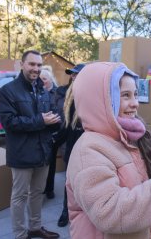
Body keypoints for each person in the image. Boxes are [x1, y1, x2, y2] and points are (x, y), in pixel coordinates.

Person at [65, 62, 151, 238]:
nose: (135, 103)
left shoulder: (128, 137)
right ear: (100, 100)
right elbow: (109, 212)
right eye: (125, 95)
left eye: (135, 94)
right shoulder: (88, 150)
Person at [0, 50, 61, 239]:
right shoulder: (7, 91)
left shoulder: (42, 89)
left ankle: (35, 227)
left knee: (37, 193)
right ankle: (19, 234)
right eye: (32, 64)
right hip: (21, 152)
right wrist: (41, 121)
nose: (36, 69)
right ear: (22, 64)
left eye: (39, 65)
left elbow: (48, 116)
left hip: (42, 152)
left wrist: (56, 122)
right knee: (19, 196)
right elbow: (9, 123)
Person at [52, 81, 84, 227]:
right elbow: (66, 128)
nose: (74, 78)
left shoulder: (93, 102)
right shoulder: (71, 103)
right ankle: (66, 210)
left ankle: (84, 212)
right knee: (69, 183)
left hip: (88, 150)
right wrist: (54, 141)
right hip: (72, 150)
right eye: (73, 75)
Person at [40, 67, 60, 199]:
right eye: (40, 79)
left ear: (50, 79)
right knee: (41, 163)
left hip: (54, 133)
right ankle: (40, 189)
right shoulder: (38, 92)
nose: (42, 82)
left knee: (51, 163)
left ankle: (49, 189)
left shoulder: (57, 93)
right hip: (40, 132)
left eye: (44, 79)